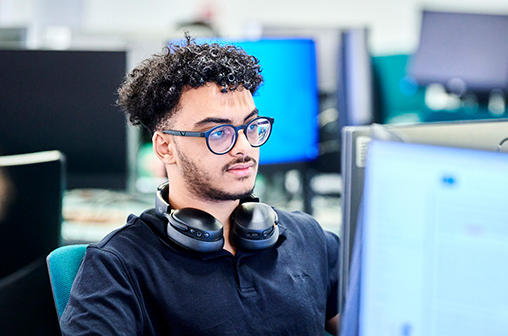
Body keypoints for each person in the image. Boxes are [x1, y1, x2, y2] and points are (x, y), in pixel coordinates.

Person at [60, 35, 340, 335]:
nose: (243, 147)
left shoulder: (309, 238)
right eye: (218, 132)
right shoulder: (119, 266)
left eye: (250, 127)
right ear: (165, 147)